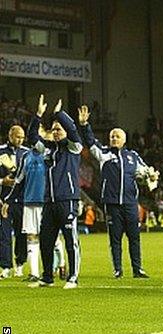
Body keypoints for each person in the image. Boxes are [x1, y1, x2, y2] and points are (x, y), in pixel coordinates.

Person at [77, 105, 157, 279]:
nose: (114, 138)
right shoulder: (103, 153)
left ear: (124, 139)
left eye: (117, 136)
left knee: (134, 238)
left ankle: (137, 269)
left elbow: (145, 172)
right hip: (112, 203)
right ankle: (118, 269)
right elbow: (90, 141)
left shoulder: (133, 156)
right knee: (115, 240)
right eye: (112, 136)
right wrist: (84, 125)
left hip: (130, 203)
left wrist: (151, 175)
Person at [27, 95, 81, 289]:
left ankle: (73, 277)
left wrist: (59, 114)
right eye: (54, 129)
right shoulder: (47, 149)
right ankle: (47, 277)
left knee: (70, 241)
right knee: (46, 241)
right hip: (49, 201)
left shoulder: (74, 147)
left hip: (67, 200)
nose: (56, 132)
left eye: (59, 129)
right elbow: (32, 137)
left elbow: (74, 130)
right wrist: (39, 115)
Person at [0, 125, 28, 279]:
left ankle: (20, 264)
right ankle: (5, 267)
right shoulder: (1, 151)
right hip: (4, 201)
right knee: (4, 234)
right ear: (10, 135)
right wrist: (2, 181)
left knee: (21, 234)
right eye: (18, 136)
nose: (20, 139)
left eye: (22, 137)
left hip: (22, 201)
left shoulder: (26, 153)